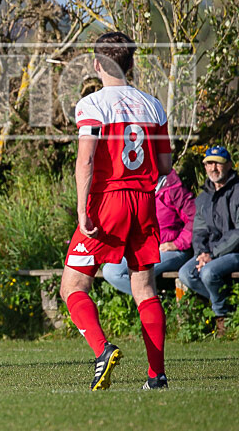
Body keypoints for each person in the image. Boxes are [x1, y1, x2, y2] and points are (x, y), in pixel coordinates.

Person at [60, 31, 172, 391]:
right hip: (144, 199)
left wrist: (82, 210)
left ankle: (102, 349)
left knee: (74, 285)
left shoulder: (92, 104)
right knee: (145, 288)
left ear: (97, 64)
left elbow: (86, 160)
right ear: (131, 63)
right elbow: (166, 165)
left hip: (108, 200)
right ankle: (157, 375)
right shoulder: (154, 106)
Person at [102, 168, 195, 295]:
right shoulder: (136, 189)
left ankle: (153, 306)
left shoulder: (174, 190)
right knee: (110, 271)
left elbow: (194, 219)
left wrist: (177, 243)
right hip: (146, 248)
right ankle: (155, 301)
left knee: (137, 272)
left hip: (173, 250)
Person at [178, 146, 239, 338]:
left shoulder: (237, 191)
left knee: (208, 272)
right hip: (211, 252)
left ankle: (222, 317)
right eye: (209, 163)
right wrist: (202, 253)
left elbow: (238, 232)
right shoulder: (204, 196)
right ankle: (224, 304)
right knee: (186, 273)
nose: (213, 168)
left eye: (218, 163)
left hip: (234, 251)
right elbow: (199, 231)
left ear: (228, 165)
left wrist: (213, 255)